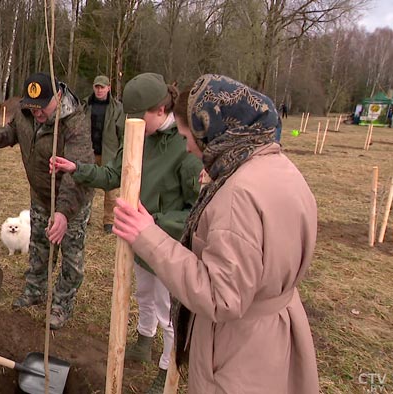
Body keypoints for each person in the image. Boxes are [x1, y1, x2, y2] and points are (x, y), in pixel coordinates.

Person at [113, 74, 319, 393]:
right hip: (276, 335)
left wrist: (148, 235)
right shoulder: (281, 168)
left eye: (187, 137)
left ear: (209, 131)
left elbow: (220, 295)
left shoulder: (238, 195)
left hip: (238, 352)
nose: (188, 148)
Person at [52, 73, 202, 391]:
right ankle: (144, 342)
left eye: (139, 117)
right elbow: (112, 173)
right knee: (144, 295)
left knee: (168, 310)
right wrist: (77, 169)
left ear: (160, 110)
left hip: (168, 245)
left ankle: (168, 367)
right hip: (139, 237)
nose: (132, 124)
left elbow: (196, 212)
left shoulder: (185, 146)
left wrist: (156, 223)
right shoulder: (138, 135)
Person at [0, 72, 94, 330]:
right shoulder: (27, 113)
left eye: (43, 108)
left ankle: (62, 302)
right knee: (39, 246)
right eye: (33, 108)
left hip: (72, 202)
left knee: (72, 259)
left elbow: (78, 174)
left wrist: (63, 213)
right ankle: (36, 289)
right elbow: (14, 130)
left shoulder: (75, 122)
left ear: (58, 96)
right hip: (40, 196)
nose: (38, 114)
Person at [81, 75, 124, 233]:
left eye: (102, 87)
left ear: (108, 88)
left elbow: (122, 132)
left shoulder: (118, 108)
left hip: (109, 154)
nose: (99, 90)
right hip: (88, 152)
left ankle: (109, 222)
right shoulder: (85, 105)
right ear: (93, 87)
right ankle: (85, 217)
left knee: (111, 190)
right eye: (97, 87)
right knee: (85, 187)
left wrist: (121, 152)